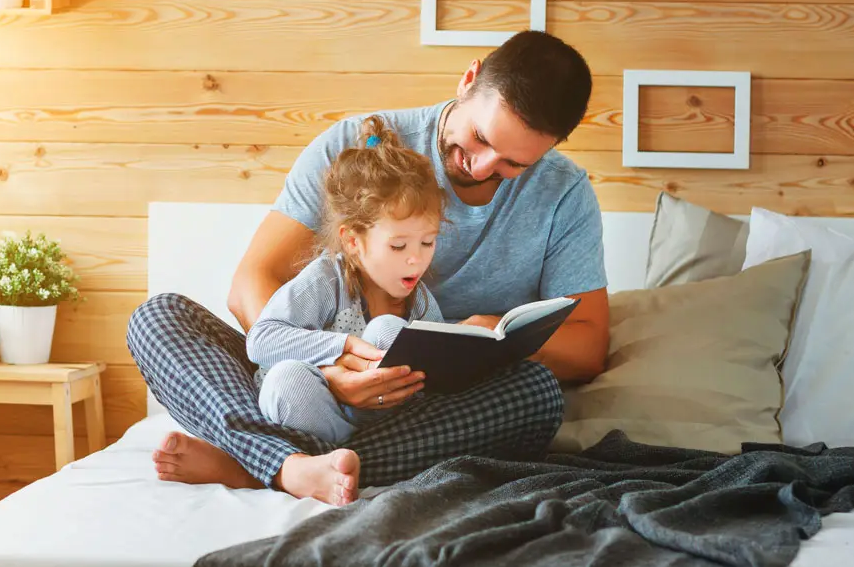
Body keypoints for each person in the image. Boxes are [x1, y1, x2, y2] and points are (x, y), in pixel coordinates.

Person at [127, 29, 610, 506]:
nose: (482, 167)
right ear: (469, 79)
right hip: (302, 374)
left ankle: (261, 466)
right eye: (480, 138)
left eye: (513, 164)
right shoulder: (353, 145)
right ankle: (287, 463)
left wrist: (492, 337)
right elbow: (252, 284)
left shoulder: (564, 193)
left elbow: (588, 344)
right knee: (160, 318)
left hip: (425, 408)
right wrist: (330, 365)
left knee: (537, 394)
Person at [249, 114, 446, 444]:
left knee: (389, 330)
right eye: (398, 246)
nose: (417, 258)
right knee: (287, 379)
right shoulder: (328, 279)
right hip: (316, 411)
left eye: (428, 242)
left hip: (383, 426)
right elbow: (262, 339)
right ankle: (338, 456)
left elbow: (438, 374)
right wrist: (342, 348)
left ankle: (358, 455)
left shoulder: (419, 299)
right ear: (353, 241)